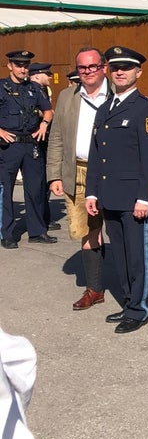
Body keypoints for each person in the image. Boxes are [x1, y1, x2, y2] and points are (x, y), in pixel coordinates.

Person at [85, 47, 148, 334]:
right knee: (120, 255)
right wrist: (92, 192)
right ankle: (129, 301)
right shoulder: (105, 109)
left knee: (137, 257)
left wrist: (145, 197)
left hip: (134, 199)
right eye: (115, 67)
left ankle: (139, 309)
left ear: (138, 73)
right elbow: (97, 154)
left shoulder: (147, 108)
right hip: (109, 195)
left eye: (126, 68)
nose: (120, 72)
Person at [46, 47, 112, 310]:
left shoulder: (117, 93)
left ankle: (132, 292)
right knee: (86, 230)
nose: (87, 71)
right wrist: (54, 175)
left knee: (119, 230)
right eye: (82, 67)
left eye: (92, 66)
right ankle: (94, 289)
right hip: (78, 171)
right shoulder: (67, 96)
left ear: (103, 68)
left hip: (111, 172)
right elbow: (57, 137)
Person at [0, 50, 55, 249]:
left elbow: (48, 110)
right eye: (19, 65)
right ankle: (6, 234)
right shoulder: (1, 87)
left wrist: (44, 124)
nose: (23, 69)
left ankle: (37, 231)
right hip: (9, 146)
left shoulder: (33, 88)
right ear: (10, 66)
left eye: (25, 66)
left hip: (31, 144)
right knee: (5, 190)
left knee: (35, 189)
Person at [28, 63, 60, 232]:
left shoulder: (43, 90)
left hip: (44, 138)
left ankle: (44, 217)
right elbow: (39, 111)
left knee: (43, 183)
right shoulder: (32, 90)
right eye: (47, 74)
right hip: (37, 139)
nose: (50, 77)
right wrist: (47, 114)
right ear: (37, 75)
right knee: (39, 183)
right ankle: (41, 219)